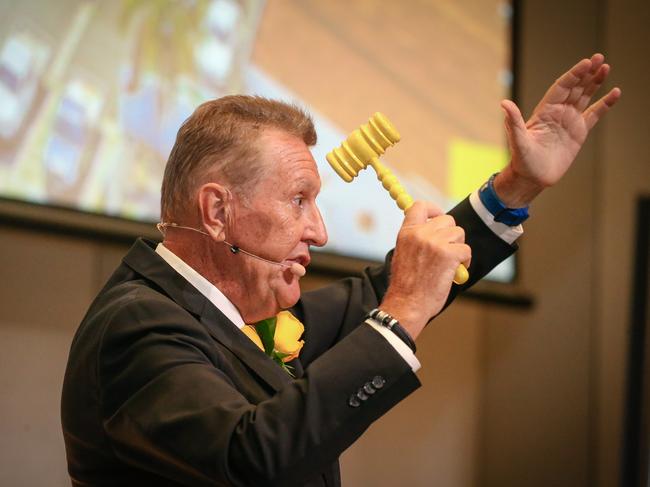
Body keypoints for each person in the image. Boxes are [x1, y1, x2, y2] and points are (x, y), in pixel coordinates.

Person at [61, 54, 620, 486]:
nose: (320, 232)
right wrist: (402, 311)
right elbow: (251, 459)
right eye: (299, 200)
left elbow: (383, 293)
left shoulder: (238, 312)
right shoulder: (136, 325)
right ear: (217, 212)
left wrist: (517, 186)